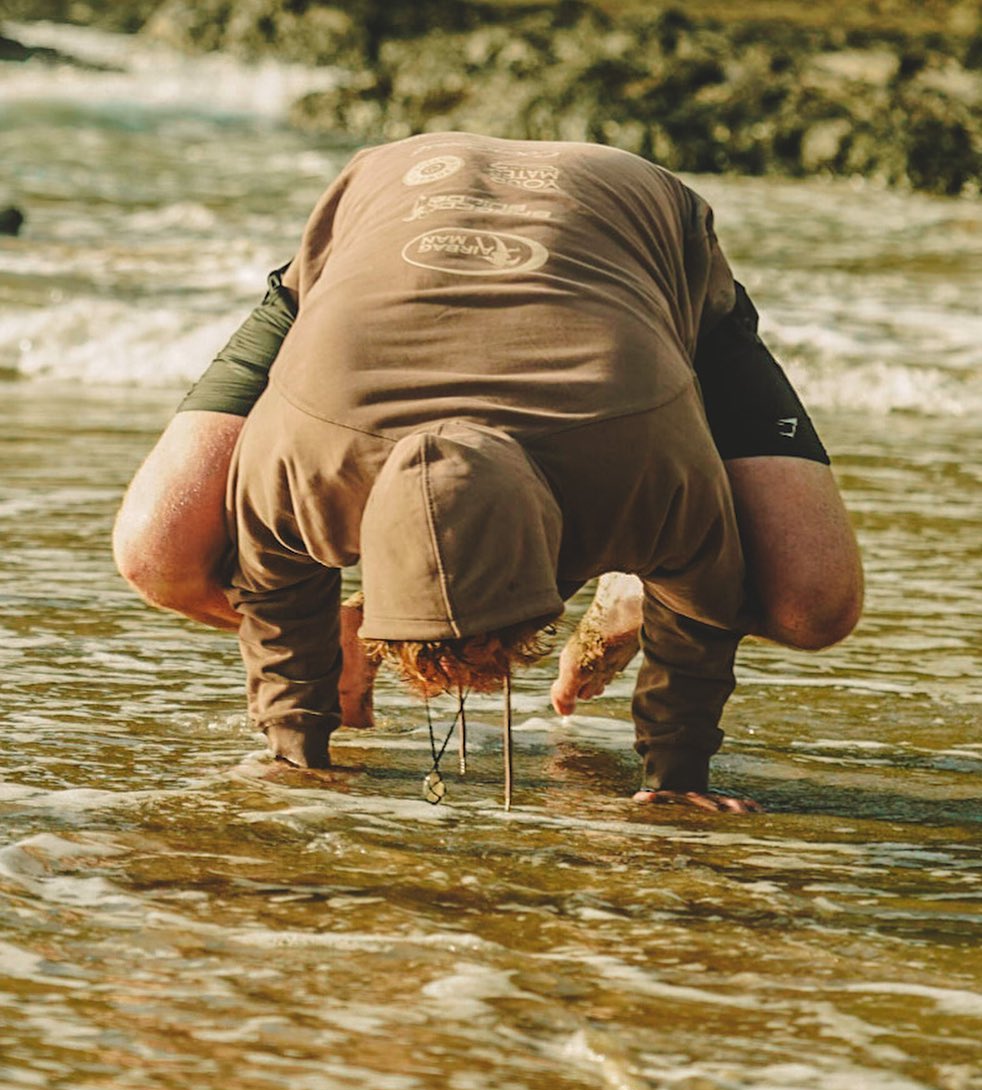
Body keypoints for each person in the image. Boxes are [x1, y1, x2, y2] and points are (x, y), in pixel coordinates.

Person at [113, 133, 863, 811]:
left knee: (813, 605)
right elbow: (272, 581)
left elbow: (705, 611)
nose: (490, 680)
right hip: (392, 204)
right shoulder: (308, 460)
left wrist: (675, 777)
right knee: (156, 554)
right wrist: (296, 749)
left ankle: (636, 586)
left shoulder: (638, 461)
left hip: (630, 217)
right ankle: (367, 623)